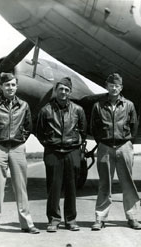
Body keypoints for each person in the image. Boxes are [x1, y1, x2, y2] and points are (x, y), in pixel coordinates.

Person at [0, 72, 39, 238]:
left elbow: (28, 126)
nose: (10, 88)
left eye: (13, 85)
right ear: (1, 87)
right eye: (7, 85)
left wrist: (19, 139)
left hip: (17, 148)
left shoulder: (24, 105)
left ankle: (27, 224)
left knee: (21, 187)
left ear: (16, 86)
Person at [90, 73, 141, 230]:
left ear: (121, 88)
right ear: (106, 86)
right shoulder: (98, 106)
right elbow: (94, 127)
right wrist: (103, 142)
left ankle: (132, 217)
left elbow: (134, 126)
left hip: (123, 147)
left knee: (128, 183)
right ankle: (100, 218)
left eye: (117, 86)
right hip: (105, 147)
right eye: (111, 85)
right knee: (104, 184)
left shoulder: (129, 105)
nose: (114, 88)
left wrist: (127, 141)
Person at [36, 77, 87, 232]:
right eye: (61, 89)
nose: (63, 92)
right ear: (55, 91)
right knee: (53, 187)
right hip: (53, 152)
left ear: (70, 92)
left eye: (66, 89)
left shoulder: (78, 110)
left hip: (72, 152)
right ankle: (53, 220)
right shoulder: (45, 110)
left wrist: (75, 146)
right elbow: (39, 132)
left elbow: (83, 132)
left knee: (72, 187)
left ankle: (71, 220)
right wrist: (51, 144)